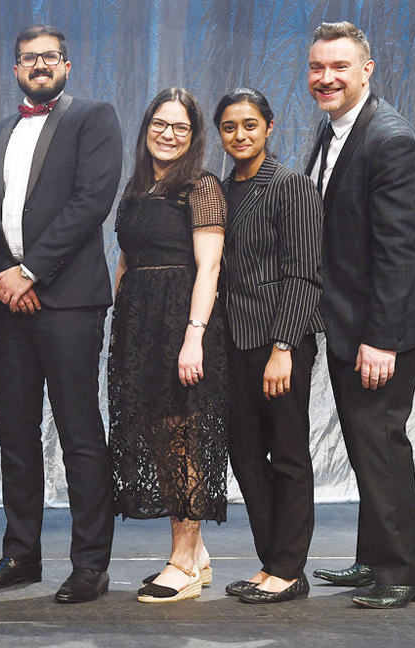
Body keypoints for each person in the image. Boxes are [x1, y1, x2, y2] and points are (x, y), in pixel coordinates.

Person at [0, 24, 122, 604]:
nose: (40, 65)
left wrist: (29, 271)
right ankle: (20, 554)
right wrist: (1, 276)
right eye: (29, 58)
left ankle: (90, 563)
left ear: (66, 65)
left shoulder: (93, 116)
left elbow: (92, 202)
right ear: (15, 69)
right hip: (6, 302)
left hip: (68, 301)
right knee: (15, 434)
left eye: (50, 57)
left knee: (80, 432)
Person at [304, 21, 415, 609]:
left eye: (338, 68)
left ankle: (405, 571)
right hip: (348, 322)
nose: (325, 78)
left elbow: (400, 251)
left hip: (381, 329)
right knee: (364, 445)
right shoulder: (334, 131)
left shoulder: (390, 138)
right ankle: (373, 558)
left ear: (367, 71)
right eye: (316, 67)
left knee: (380, 442)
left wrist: (380, 338)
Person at [109, 88, 228, 604]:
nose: (168, 134)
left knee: (182, 436)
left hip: (181, 320)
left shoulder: (200, 188)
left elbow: (209, 266)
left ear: (193, 136)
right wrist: (116, 319)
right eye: (161, 123)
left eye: (180, 127)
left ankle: (183, 558)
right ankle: (195, 555)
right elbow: (126, 261)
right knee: (158, 435)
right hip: (138, 324)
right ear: (147, 127)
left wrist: (193, 337)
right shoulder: (135, 190)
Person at [214, 87, 324, 604]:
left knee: (287, 455)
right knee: (245, 455)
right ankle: (269, 562)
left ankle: (289, 569)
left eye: (250, 125)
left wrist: (284, 346)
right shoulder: (218, 189)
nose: (240, 135)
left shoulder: (290, 186)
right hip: (232, 343)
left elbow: (304, 274)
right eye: (230, 126)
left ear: (270, 127)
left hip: (279, 341)